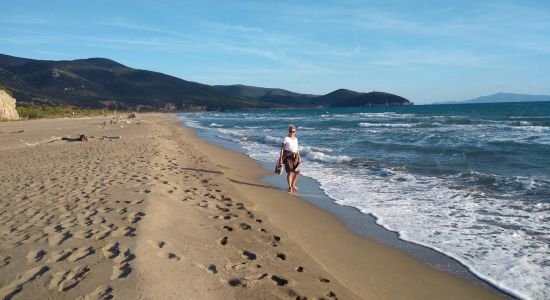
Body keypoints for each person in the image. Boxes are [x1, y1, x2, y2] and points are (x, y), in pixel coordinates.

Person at [278, 125, 301, 192]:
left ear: (295, 132)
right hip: (288, 157)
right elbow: (282, 149)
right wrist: (280, 159)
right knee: (290, 172)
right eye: (291, 131)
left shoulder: (296, 139)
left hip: (295, 157)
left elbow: (297, 149)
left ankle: (293, 185)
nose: (292, 133)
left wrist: (299, 157)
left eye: (293, 132)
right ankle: (290, 187)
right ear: (289, 131)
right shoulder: (286, 139)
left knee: (297, 172)